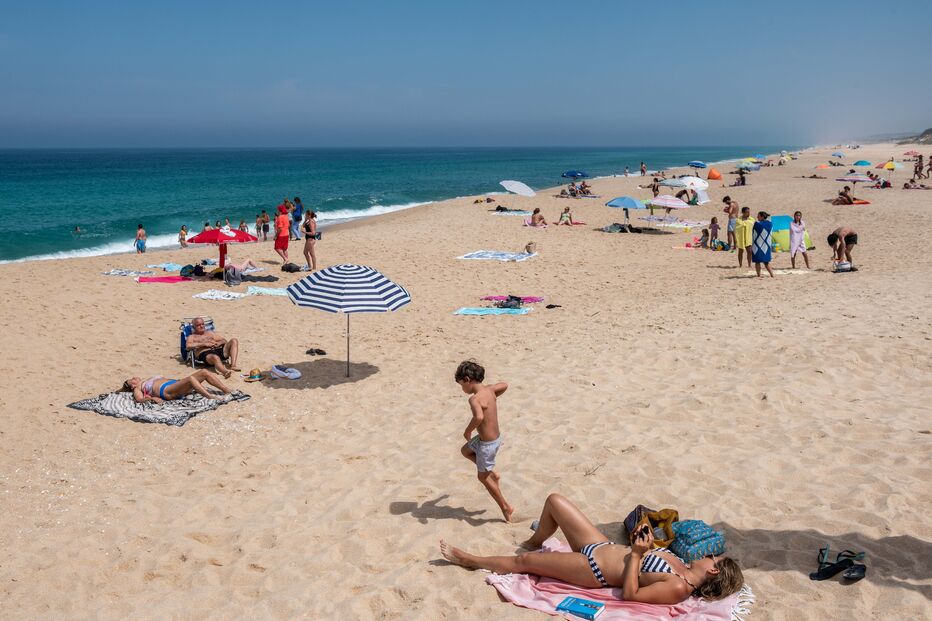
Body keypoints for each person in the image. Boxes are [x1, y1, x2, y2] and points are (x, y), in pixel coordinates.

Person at [439, 493, 743, 605]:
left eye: (712, 558)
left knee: (526, 562)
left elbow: (631, 594)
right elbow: (642, 555)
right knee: (555, 501)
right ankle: (534, 539)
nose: (707, 555)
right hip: (602, 545)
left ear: (713, 571)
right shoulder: (681, 564)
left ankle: (470, 560)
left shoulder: (678, 587)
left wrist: (637, 555)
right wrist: (642, 542)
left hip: (594, 570)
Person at [454, 360, 514, 523]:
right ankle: (491, 472)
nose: (462, 389)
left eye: (461, 385)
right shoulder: (490, 390)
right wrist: (492, 392)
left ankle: (505, 507)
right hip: (492, 439)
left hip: (487, 445)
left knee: (482, 478)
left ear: (467, 380)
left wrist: (467, 431)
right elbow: (504, 385)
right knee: (465, 451)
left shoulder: (474, 399)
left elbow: (479, 417)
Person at [121, 369, 232, 403]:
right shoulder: (137, 388)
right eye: (132, 380)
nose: (134, 377)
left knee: (204, 372)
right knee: (190, 379)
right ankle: (210, 397)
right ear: (132, 386)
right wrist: (152, 399)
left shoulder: (146, 380)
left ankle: (226, 389)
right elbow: (139, 400)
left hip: (175, 385)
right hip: (166, 391)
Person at [751, 211, 774, 278]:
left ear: (762, 216)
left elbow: (754, 232)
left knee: (757, 261)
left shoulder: (757, 224)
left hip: (757, 245)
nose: (757, 217)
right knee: (766, 262)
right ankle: (772, 275)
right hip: (766, 246)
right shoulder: (770, 223)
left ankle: (758, 275)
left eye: (758, 216)